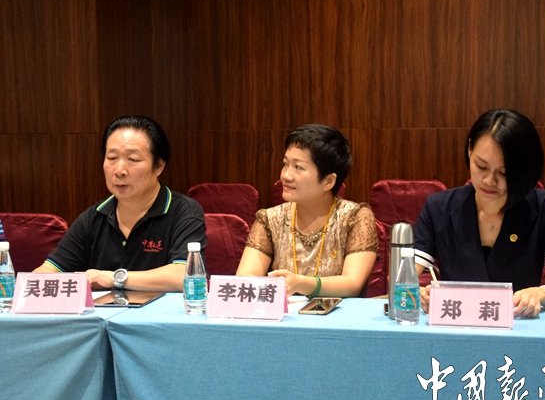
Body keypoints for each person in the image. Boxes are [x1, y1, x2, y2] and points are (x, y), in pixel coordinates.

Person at [416, 109, 545, 318]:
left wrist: (541, 294)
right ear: (469, 150)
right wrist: (420, 293)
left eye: (503, 173)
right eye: (481, 166)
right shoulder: (439, 207)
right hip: (456, 324)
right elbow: (403, 279)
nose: (489, 181)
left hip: (518, 324)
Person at [34, 115, 206, 291]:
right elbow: (50, 270)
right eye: (112, 158)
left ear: (159, 166)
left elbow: (185, 275)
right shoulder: (94, 216)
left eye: (133, 159)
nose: (119, 170)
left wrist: (113, 278)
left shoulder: (184, 211)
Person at [236, 124, 378, 297]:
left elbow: (352, 284)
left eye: (298, 167)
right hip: (285, 313)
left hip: (339, 312)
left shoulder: (355, 217)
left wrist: (302, 284)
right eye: (285, 164)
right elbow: (245, 278)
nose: (285, 176)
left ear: (328, 181)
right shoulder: (269, 219)